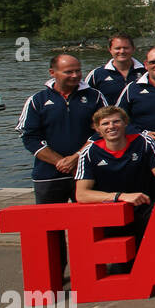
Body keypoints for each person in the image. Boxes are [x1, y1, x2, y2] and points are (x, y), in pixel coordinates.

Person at [75, 106, 155, 270]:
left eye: (116, 121)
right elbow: (81, 194)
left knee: (153, 262)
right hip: (112, 213)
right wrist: (120, 196)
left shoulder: (143, 142)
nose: (111, 126)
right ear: (98, 129)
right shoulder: (89, 152)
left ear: (125, 124)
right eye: (105, 124)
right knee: (122, 268)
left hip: (145, 208)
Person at [18, 54, 106, 205]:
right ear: (52, 73)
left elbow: (104, 131)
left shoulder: (95, 97)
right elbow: (29, 137)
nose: (75, 75)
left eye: (78, 71)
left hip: (87, 172)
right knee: (50, 225)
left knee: (91, 224)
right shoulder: (37, 100)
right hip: (48, 175)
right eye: (69, 72)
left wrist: (77, 158)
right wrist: (62, 162)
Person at [84, 32, 145, 106]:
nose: (122, 51)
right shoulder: (97, 74)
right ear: (110, 49)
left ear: (133, 49)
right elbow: (84, 99)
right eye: (117, 48)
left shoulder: (146, 71)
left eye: (126, 48)